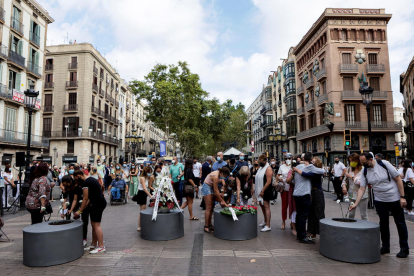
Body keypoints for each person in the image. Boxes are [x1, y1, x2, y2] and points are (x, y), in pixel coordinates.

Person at [349, 152, 409, 258]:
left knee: (400, 223)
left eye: (365, 162)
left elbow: (398, 179)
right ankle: (385, 247)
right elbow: (362, 189)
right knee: (383, 224)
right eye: (362, 163)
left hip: (394, 198)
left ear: (371, 159)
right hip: (380, 200)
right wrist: (355, 204)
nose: (364, 165)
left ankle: (404, 248)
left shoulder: (384, 164)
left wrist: (402, 197)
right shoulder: (365, 171)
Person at [289, 152, 324, 244]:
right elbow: (323, 171)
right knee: (303, 215)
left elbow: (292, 179)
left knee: (299, 214)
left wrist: (296, 169)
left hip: (296, 193)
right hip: (304, 194)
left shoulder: (299, 167)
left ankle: (299, 235)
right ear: (311, 159)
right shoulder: (310, 167)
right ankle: (302, 237)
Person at [73, 170, 107, 254]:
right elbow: (89, 198)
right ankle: (94, 244)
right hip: (98, 203)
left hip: (97, 204)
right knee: (93, 224)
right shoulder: (92, 179)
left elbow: (85, 198)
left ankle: (101, 246)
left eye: (76, 179)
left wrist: (79, 211)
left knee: (96, 225)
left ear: (79, 175)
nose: (76, 181)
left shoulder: (86, 183)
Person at [61, 175, 89, 247]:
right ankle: (68, 236)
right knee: (67, 219)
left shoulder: (77, 187)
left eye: (65, 184)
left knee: (83, 221)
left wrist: (75, 210)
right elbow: (65, 200)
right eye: (63, 184)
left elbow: (75, 199)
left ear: (70, 182)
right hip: (70, 204)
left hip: (80, 203)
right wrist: (64, 211)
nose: (64, 185)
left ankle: (83, 238)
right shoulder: (65, 188)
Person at [202, 167, 229, 233]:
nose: (224, 178)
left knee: (211, 207)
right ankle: (206, 226)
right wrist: (222, 201)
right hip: (206, 187)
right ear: (222, 173)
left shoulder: (218, 173)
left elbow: (216, 189)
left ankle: (210, 224)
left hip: (210, 187)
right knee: (208, 208)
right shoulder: (216, 176)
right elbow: (215, 191)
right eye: (225, 176)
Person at [342, 153, 368, 220]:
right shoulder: (349, 169)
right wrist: (344, 186)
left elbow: (361, 182)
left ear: (358, 161)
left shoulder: (363, 169)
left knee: (363, 215)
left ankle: (366, 229)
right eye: (350, 161)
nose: (351, 162)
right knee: (351, 214)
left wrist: (351, 176)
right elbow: (344, 180)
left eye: (353, 160)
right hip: (351, 195)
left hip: (362, 196)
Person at [277, 155, 296, 234]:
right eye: (286, 159)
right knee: (284, 206)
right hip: (284, 189)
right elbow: (278, 176)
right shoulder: (282, 167)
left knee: (292, 206)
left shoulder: (293, 167)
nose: (287, 160)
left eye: (289, 159)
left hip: (292, 189)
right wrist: (281, 179)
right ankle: (283, 221)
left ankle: (292, 222)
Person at [255, 154, 274, 232]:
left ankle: (268, 225)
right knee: (262, 205)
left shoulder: (268, 168)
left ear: (265, 161)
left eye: (261, 162)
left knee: (266, 206)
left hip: (266, 190)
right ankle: (265, 221)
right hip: (261, 190)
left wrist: (262, 190)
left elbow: (269, 181)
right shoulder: (261, 168)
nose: (260, 163)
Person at [136, 166, 153, 231]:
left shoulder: (146, 178)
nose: (150, 173)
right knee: (142, 211)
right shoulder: (142, 178)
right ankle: (139, 226)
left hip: (143, 194)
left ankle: (142, 225)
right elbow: (145, 189)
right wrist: (150, 196)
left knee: (144, 210)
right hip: (141, 194)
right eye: (149, 172)